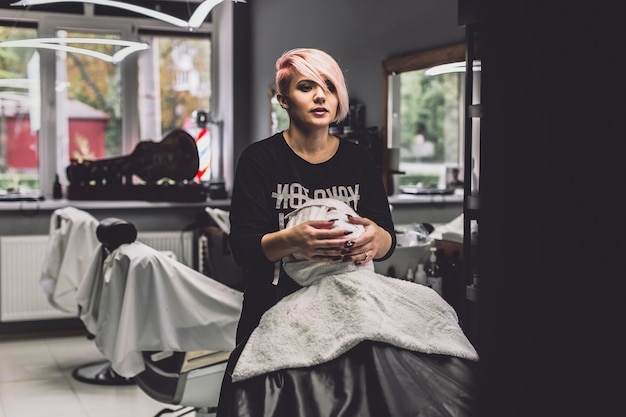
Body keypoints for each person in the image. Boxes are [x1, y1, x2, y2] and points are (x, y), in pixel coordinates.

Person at [216, 48, 396, 415]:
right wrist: (294, 240)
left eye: (329, 87)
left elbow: (387, 239)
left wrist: (375, 239)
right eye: (306, 86)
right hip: (271, 308)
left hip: (347, 311)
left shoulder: (359, 159)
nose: (320, 96)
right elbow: (244, 249)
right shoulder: (259, 159)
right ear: (282, 99)